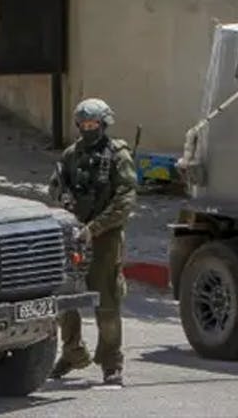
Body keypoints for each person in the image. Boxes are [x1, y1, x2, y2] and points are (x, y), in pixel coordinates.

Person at [47, 98, 137, 387]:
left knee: (107, 302)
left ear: (103, 124)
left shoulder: (117, 155)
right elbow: (54, 186)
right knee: (65, 299)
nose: (88, 129)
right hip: (74, 236)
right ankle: (72, 353)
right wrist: (62, 199)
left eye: (93, 124)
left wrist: (95, 228)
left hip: (105, 238)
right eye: (84, 125)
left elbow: (125, 199)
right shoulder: (71, 155)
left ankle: (111, 363)